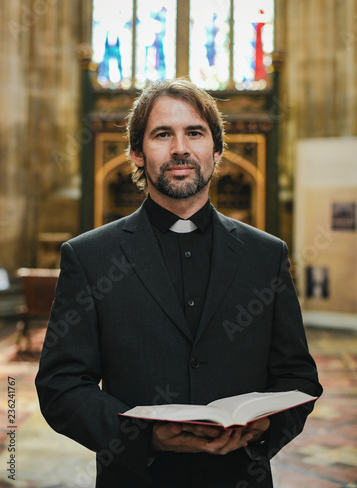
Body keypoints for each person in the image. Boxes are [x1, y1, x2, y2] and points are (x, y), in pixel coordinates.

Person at [36, 78, 322, 488]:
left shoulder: (266, 256)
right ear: (136, 153)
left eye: (194, 132)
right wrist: (143, 438)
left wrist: (263, 431)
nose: (180, 148)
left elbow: (298, 377)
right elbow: (60, 385)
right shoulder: (90, 257)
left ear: (217, 150)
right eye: (162, 134)